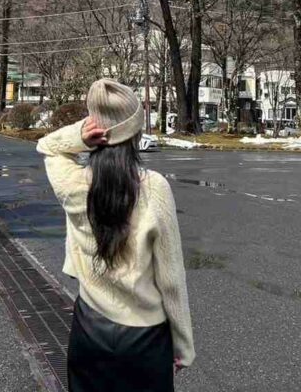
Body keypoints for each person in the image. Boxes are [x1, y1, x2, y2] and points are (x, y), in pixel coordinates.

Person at [37, 78, 194, 392]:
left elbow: (47, 146)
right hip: (145, 338)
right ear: (135, 131)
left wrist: (81, 136)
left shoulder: (74, 183)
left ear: (96, 130)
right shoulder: (154, 188)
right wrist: (183, 344)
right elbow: (171, 278)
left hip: (89, 330)